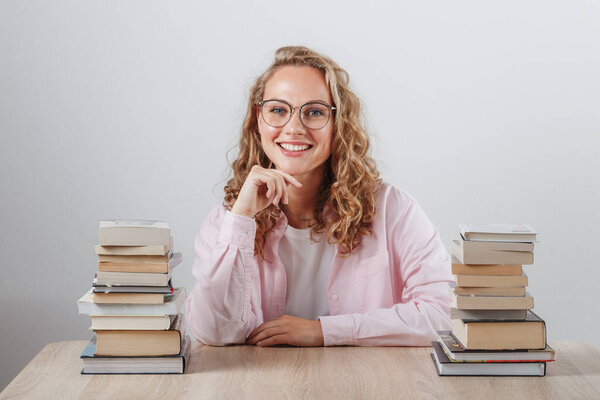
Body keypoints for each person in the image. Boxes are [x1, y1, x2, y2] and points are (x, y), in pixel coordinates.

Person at [187, 46, 453, 347]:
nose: (294, 128)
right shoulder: (226, 223)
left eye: (314, 112)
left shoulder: (393, 210)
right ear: (256, 121)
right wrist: (241, 221)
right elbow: (213, 332)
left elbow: (443, 315)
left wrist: (326, 331)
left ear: (338, 125)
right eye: (278, 110)